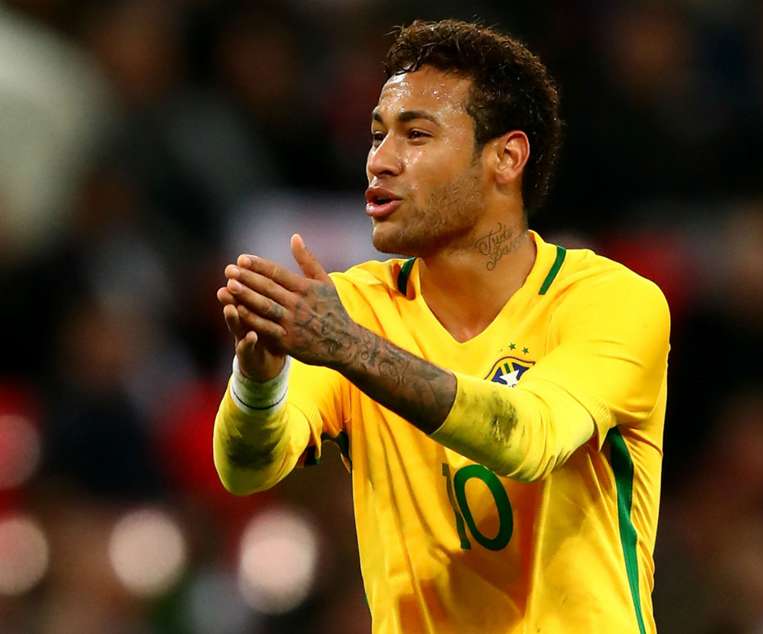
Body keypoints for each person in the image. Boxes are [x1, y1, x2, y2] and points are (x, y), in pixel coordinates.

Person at [214, 19, 669, 633]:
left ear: (506, 157)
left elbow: (530, 440)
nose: (380, 161)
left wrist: (350, 348)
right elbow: (247, 470)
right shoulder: (354, 308)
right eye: (377, 135)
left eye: (417, 134)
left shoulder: (610, 301)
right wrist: (259, 379)